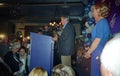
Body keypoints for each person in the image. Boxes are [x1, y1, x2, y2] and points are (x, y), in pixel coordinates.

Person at [84, 2, 110, 76]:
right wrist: (90, 48)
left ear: (99, 11)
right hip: (97, 51)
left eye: (94, 11)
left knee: (95, 73)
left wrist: (88, 52)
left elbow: (97, 41)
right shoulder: (101, 23)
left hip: (98, 52)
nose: (92, 13)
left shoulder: (102, 23)